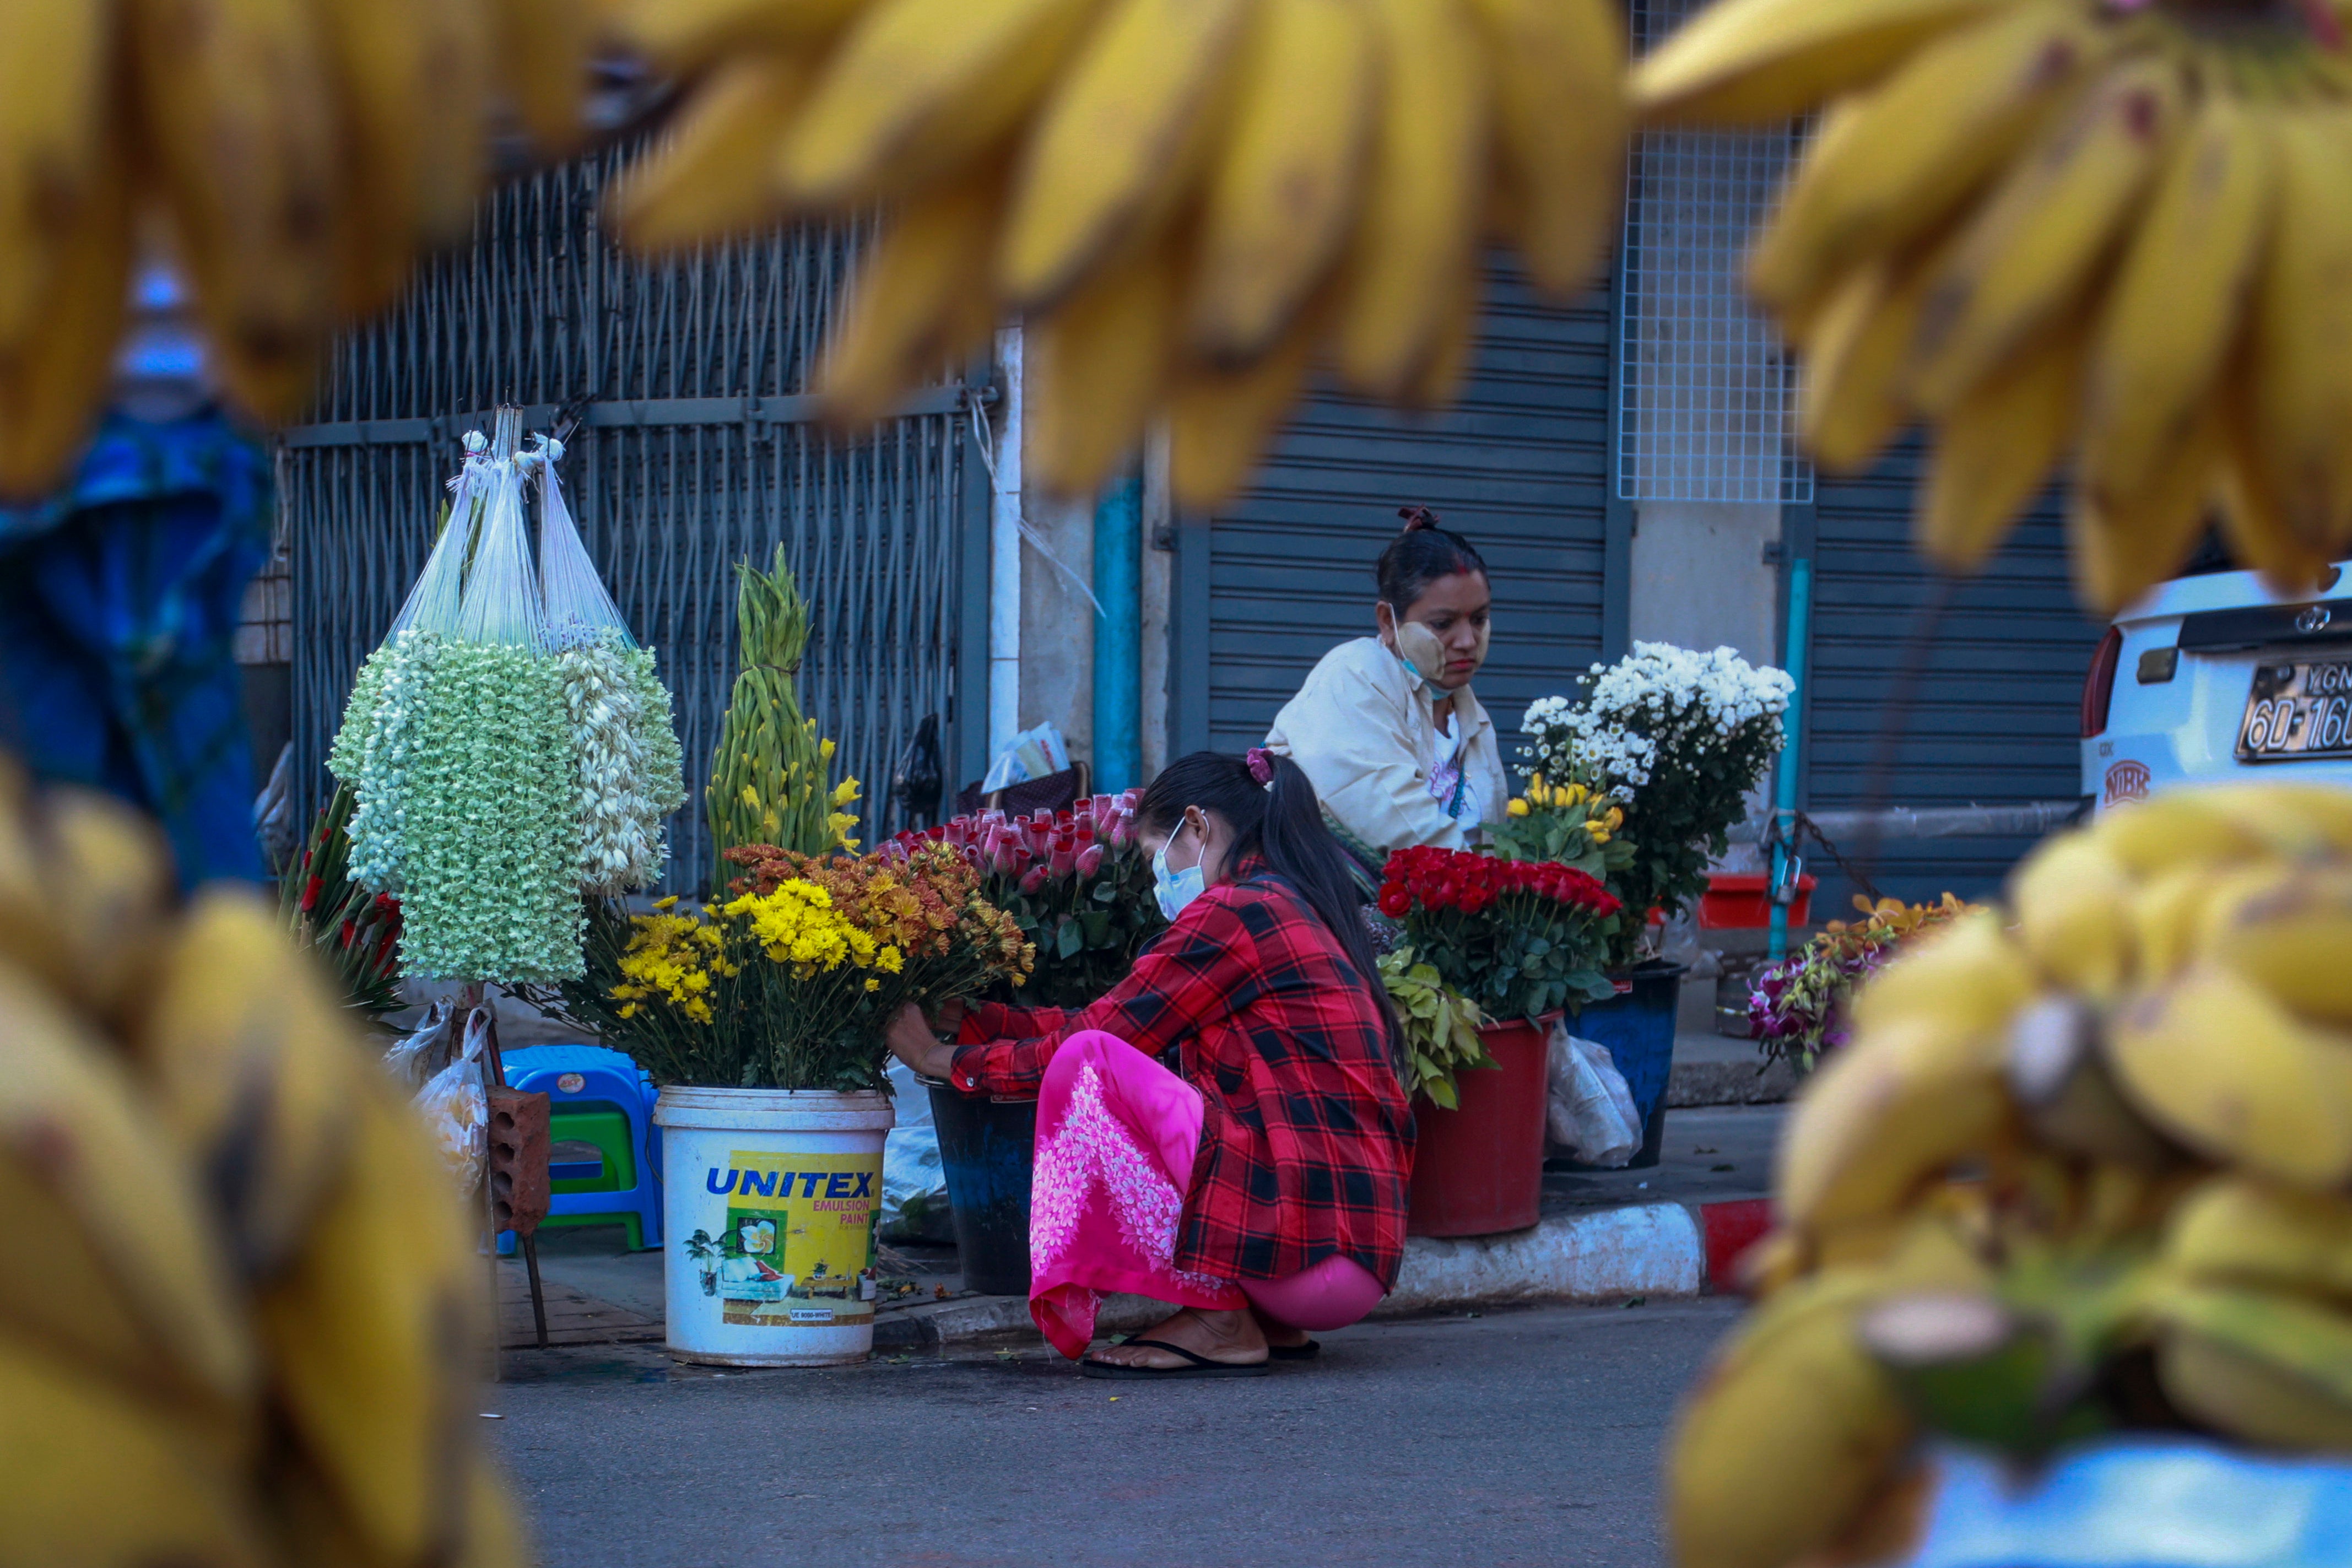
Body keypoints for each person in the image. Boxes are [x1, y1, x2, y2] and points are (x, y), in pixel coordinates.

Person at [884, 748, 1414, 1377]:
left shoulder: (1237, 910)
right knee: (1100, 1054)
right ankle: (1254, 1315)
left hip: (1306, 1257)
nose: (1158, 879)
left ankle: (1220, 1317)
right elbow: (1125, 1019)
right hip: (1346, 1259)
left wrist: (937, 1057)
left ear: (1197, 826)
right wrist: (977, 1023)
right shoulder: (1293, 904)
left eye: (1153, 856)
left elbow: (1095, 1042)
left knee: (1088, 1065)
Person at [1264, 505, 1506, 869]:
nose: (1467, 641)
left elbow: (1490, 840)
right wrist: (1487, 892)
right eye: (1443, 623)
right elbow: (1396, 822)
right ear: (1387, 622)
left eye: (1479, 619)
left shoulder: (1472, 718)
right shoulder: (1355, 676)